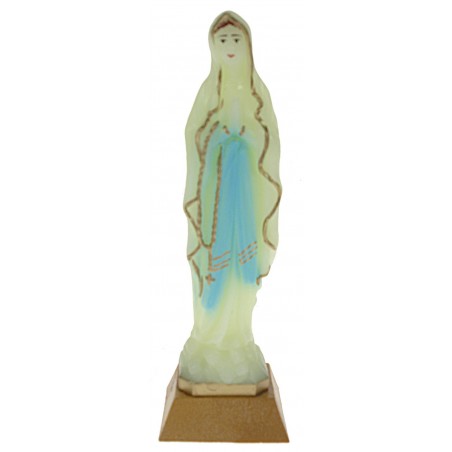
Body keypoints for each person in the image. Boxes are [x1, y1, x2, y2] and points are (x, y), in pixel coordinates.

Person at [179, 11, 282, 385]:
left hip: (246, 205)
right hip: (215, 207)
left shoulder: (257, 95)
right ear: (212, 47)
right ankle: (208, 340)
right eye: (222, 41)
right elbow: (194, 138)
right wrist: (218, 140)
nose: (229, 48)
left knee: (241, 273)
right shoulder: (209, 93)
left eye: (236, 40)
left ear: (248, 45)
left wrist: (248, 140)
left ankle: (238, 338)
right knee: (214, 270)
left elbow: (270, 142)